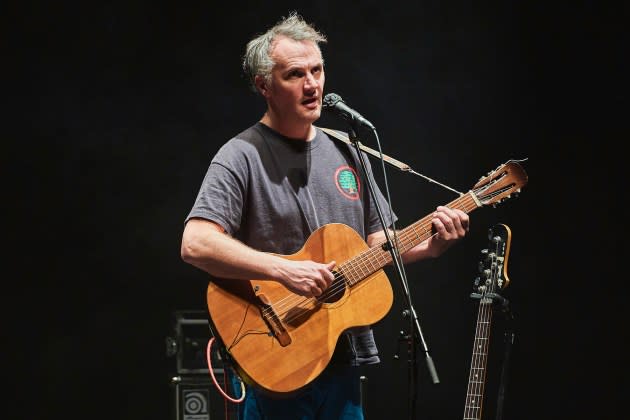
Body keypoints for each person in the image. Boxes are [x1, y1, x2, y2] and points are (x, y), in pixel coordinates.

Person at [180, 12, 470, 420]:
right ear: (264, 85)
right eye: (295, 74)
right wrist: (285, 271)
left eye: (317, 70)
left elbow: (375, 245)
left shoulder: (350, 151)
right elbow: (196, 243)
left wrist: (432, 245)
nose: (312, 84)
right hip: (275, 357)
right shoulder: (240, 155)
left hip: (342, 357)